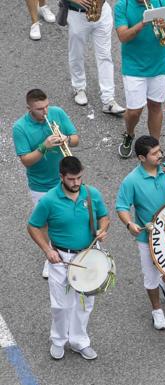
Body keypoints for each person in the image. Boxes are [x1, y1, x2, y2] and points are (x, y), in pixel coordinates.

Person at [27, 156, 109, 360]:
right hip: (60, 258)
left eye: (79, 178)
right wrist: (47, 250)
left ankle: (79, 341)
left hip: (88, 255)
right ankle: (58, 340)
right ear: (61, 177)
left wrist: (102, 229)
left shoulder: (91, 194)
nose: (76, 183)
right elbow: (33, 226)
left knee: (84, 303)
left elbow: (104, 217)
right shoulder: (49, 200)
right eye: (71, 179)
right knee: (61, 305)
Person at [116, 135, 165, 329]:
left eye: (159, 151)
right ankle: (156, 310)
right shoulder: (131, 181)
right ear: (142, 158)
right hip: (149, 236)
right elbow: (121, 207)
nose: (159, 155)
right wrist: (129, 224)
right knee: (150, 275)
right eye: (154, 154)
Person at [13, 89, 80, 279]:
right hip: (40, 184)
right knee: (44, 222)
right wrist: (44, 147)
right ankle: (49, 253)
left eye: (46, 106)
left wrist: (66, 139)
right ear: (29, 108)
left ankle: (71, 248)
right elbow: (26, 160)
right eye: (39, 109)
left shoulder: (56, 113)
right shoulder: (20, 128)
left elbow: (75, 138)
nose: (45, 112)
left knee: (68, 214)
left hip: (64, 177)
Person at [114, 0, 165, 158]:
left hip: (159, 64)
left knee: (155, 106)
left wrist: (164, 26)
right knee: (134, 112)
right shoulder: (123, 6)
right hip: (134, 66)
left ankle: (154, 147)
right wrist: (143, 23)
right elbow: (123, 36)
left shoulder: (164, 2)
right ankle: (129, 134)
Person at [66, 0, 126, 114]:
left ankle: (108, 99)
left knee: (105, 56)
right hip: (77, 14)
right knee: (77, 54)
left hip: (102, 12)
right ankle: (78, 88)